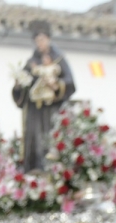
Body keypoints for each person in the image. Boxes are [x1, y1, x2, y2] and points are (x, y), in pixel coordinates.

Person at [12, 21, 75, 171]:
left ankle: (52, 169)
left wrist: (55, 85)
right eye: (37, 40)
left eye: (42, 39)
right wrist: (18, 86)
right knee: (34, 143)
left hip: (51, 109)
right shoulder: (31, 62)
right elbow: (23, 84)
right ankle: (34, 170)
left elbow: (70, 82)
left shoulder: (58, 59)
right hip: (34, 110)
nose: (39, 43)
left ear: (48, 39)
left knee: (50, 140)